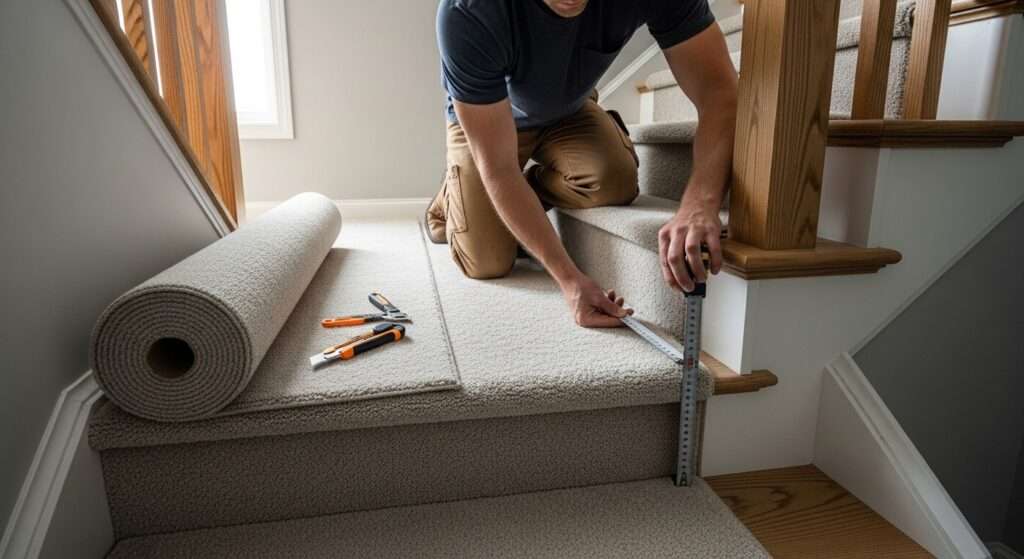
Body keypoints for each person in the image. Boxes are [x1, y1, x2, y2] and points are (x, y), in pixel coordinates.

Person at [426, 0, 737, 327]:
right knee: (486, 261)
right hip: (491, 120)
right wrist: (570, 280)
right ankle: (451, 199)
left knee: (613, 180)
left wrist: (700, 203)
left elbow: (719, 93)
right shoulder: (469, 11)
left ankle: (524, 192)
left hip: (569, 110)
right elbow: (500, 169)